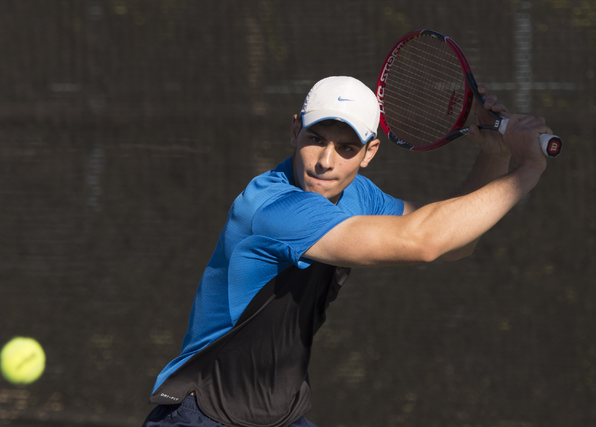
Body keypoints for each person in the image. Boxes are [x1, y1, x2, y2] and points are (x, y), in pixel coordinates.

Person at [142, 76, 551, 427]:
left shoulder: (358, 196)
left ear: (369, 153)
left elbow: (455, 243)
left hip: (280, 414)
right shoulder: (272, 208)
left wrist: (494, 156)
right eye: (315, 139)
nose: (325, 161)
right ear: (294, 131)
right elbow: (425, 241)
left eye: (346, 148)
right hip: (201, 413)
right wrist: (528, 169)